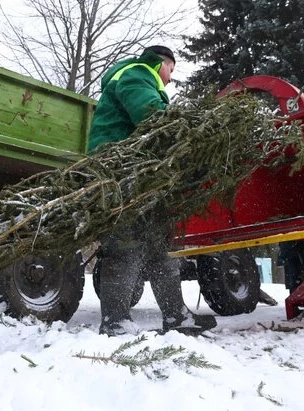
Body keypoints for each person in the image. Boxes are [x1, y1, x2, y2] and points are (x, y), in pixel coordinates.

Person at [88, 45, 217, 337]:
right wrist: (188, 129)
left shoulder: (143, 78)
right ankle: (115, 321)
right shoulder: (137, 74)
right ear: (161, 63)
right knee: (125, 243)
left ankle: (176, 316)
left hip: (142, 174)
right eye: (171, 70)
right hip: (119, 172)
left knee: (161, 245)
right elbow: (151, 116)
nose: (170, 79)